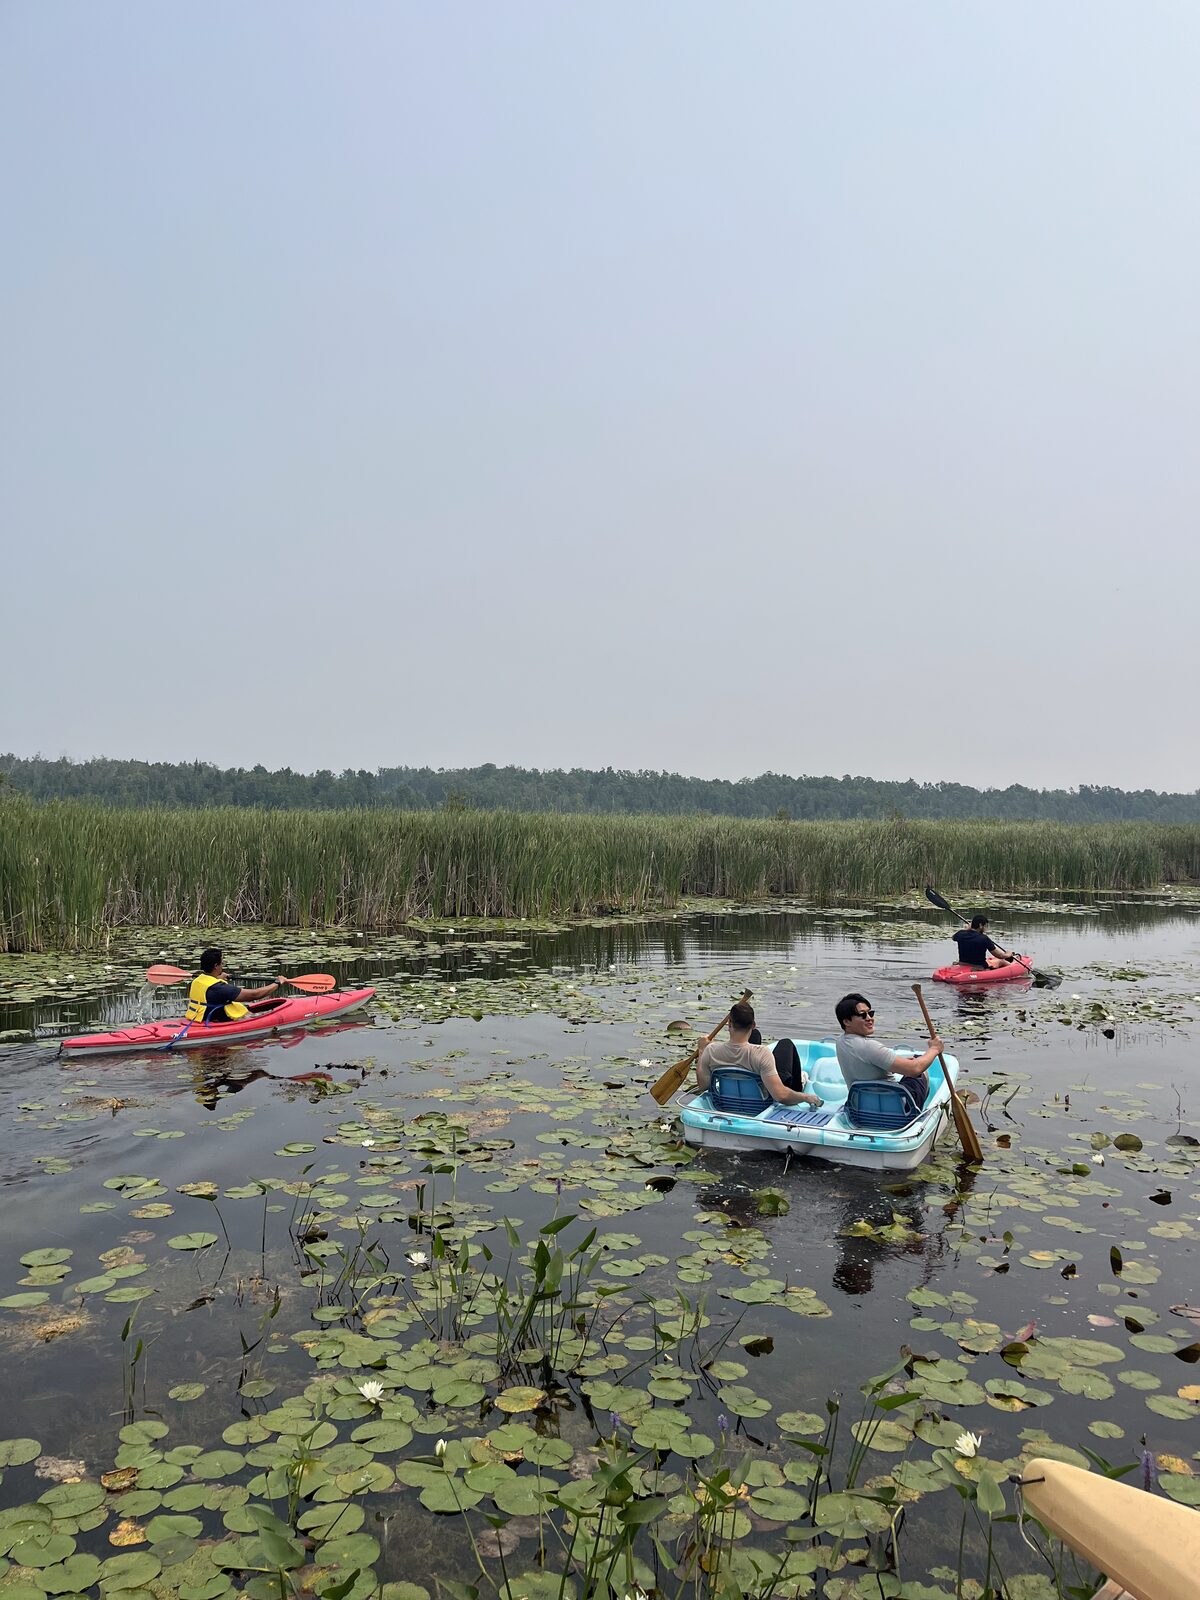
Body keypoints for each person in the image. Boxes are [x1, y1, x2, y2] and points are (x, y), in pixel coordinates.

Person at [696, 999, 823, 1108]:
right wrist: (806, 1097)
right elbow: (781, 1096)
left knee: (755, 1036)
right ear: (753, 1024)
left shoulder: (711, 1051)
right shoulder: (762, 1054)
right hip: (758, 1103)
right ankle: (798, 1086)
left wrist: (701, 1051)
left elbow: (703, 1085)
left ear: (729, 1025)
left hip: (727, 1102)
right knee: (786, 1043)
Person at [834, 992, 942, 1109]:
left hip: (861, 1107)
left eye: (870, 1013)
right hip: (895, 1109)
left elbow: (866, 1065)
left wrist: (897, 1066)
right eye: (862, 1015)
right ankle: (917, 1110)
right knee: (921, 1070)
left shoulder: (840, 1042)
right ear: (846, 1021)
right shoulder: (870, 1047)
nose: (869, 1019)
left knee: (911, 1062)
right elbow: (914, 1069)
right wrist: (934, 1049)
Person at [185, 948, 286, 1025]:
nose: (222, 965)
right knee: (250, 1015)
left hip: (198, 1018)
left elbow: (210, 982)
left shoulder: (197, 980)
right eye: (222, 963)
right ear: (216, 966)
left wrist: (219, 976)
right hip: (214, 1020)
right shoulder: (220, 988)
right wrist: (277, 983)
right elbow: (254, 995)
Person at [952, 915, 1016, 969]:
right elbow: (999, 955)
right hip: (979, 967)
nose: (986, 929)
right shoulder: (984, 938)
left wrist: (966, 929)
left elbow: (953, 937)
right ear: (980, 925)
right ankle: (1015, 969)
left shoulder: (960, 934)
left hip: (963, 964)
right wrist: (1008, 954)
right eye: (985, 926)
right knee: (1001, 961)